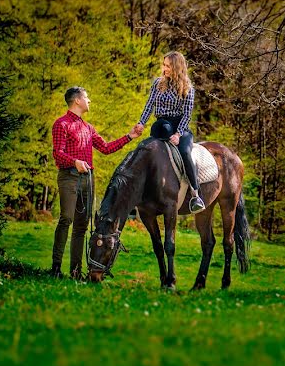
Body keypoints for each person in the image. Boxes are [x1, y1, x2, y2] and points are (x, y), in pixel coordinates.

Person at [50, 86, 143, 279]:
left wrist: (129, 137)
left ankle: (75, 271)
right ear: (77, 100)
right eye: (87, 97)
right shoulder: (61, 124)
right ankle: (56, 268)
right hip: (69, 176)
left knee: (81, 227)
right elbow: (57, 154)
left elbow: (106, 148)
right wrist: (75, 162)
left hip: (87, 180)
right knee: (66, 218)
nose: (89, 100)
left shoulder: (88, 128)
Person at [136, 51, 206, 214]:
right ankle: (139, 193)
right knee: (146, 151)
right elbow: (149, 105)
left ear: (176, 67)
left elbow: (187, 114)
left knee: (185, 152)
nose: (164, 68)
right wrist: (141, 123)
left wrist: (179, 134)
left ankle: (195, 195)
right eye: (164, 65)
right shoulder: (157, 83)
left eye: (168, 66)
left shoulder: (188, 87)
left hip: (180, 127)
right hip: (161, 124)